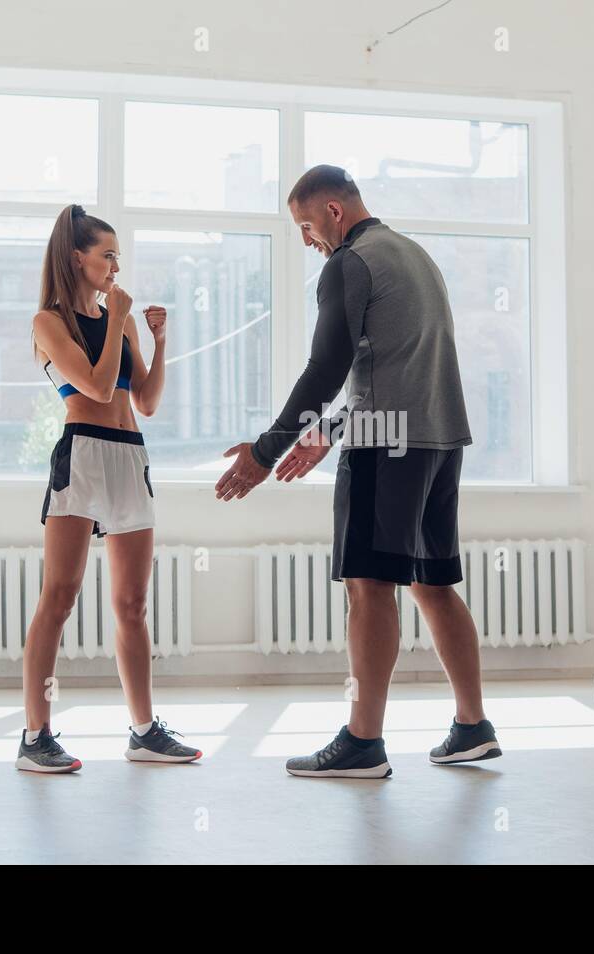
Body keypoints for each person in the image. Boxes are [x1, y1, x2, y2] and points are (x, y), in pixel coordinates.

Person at [216, 166, 501, 778]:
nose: (306, 239)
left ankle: (363, 742)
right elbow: (389, 366)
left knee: (369, 587)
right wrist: (326, 432)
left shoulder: (348, 263)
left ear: (333, 212)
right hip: (439, 439)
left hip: (385, 447)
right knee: (432, 583)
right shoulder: (413, 254)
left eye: (305, 224)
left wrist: (266, 452)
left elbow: (326, 369)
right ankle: (473, 725)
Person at [17, 204, 201, 772]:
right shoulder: (49, 321)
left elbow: (143, 401)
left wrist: (159, 339)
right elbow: (96, 389)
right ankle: (34, 735)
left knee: (132, 603)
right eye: (108, 255)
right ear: (78, 258)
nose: (117, 266)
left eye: (119, 256)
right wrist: (119, 322)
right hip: (83, 455)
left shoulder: (116, 315)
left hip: (129, 457)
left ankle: (144, 731)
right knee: (60, 596)